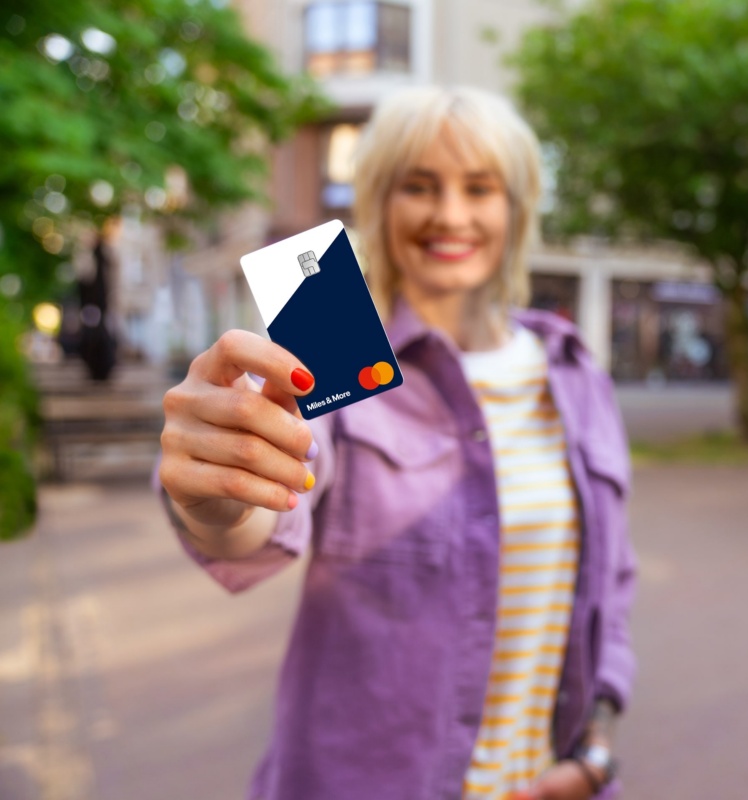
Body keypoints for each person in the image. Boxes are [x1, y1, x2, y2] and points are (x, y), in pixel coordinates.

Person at [158, 85, 636, 800]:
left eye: (480, 188)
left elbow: (611, 587)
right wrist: (217, 492)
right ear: (380, 202)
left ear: (518, 207)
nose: (450, 214)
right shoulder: (336, 351)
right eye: (419, 185)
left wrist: (596, 749)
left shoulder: (574, 370)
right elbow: (259, 524)